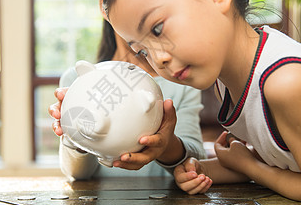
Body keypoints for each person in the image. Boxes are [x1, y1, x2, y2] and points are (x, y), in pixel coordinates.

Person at [99, 0, 301, 205]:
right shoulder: (227, 81)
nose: (158, 60)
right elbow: (284, 160)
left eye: (157, 29)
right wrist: (201, 170)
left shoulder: (287, 81)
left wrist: (250, 168)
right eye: (142, 51)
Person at [49, 19, 206, 180]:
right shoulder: (77, 79)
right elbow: (75, 173)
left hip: (162, 200)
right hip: (93, 201)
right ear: (106, 8)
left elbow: (198, 163)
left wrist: (166, 146)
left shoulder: (180, 82)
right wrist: (75, 134)